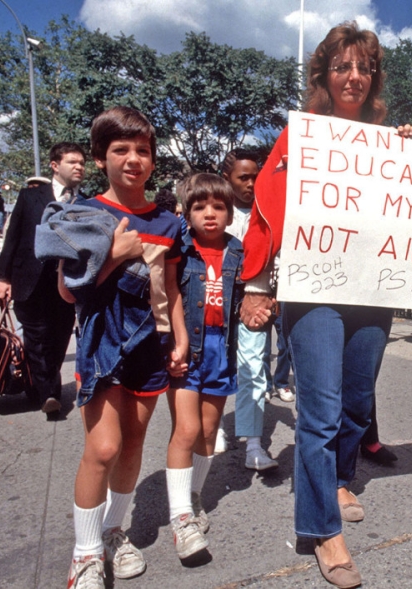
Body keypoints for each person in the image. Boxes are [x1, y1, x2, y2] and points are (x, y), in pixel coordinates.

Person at [240, 22, 412, 588]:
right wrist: (254, 285)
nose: (353, 76)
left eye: (363, 67)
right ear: (325, 75)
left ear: (373, 78)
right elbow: (267, 208)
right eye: (342, 66)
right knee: (318, 411)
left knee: (357, 401)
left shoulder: (388, 141)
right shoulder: (302, 137)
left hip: (373, 291)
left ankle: (342, 479)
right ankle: (322, 530)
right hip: (314, 290)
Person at [61, 106, 186, 588]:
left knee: (133, 444)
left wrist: (181, 337)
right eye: (120, 150)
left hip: (149, 345)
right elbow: (68, 290)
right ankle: (85, 554)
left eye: (143, 150)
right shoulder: (83, 213)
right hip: (101, 342)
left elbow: (171, 288)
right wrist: (115, 254)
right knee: (103, 446)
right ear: (99, 158)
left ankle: (114, 531)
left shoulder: (168, 222)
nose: (133, 159)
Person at [165, 173, 244, 560]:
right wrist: (172, 344)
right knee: (187, 428)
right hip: (186, 347)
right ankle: (180, 514)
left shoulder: (238, 252)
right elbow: (165, 295)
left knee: (209, 431)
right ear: (187, 212)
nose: (209, 214)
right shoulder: (181, 248)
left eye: (218, 207)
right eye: (199, 207)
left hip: (221, 350)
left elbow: (249, 297)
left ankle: (193, 496)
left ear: (230, 215)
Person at [0, 142, 86, 414]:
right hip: (29, 279)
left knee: (58, 338)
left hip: (65, 283)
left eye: (82, 162)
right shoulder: (29, 196)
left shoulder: (86, 201)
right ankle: (50, 394)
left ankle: (39, 387)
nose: (79, 167)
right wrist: (3, 277)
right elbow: (12, 239)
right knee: (36, 336)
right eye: (73, 162)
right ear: (55, 166)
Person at [220, 148, 281, 467]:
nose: (251, 183)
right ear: (226, 179)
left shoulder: (270, 213)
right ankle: (214, 426)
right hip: (216, 302)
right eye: (243, 177)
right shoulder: (215, 211)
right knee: (215, 364)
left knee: (255, 367)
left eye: (256, 177)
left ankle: (254, 445)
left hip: (256, 301)